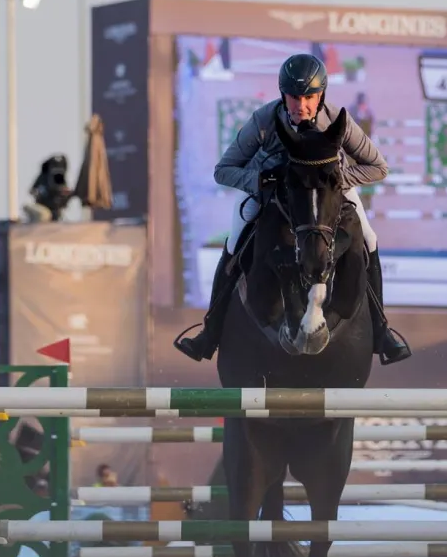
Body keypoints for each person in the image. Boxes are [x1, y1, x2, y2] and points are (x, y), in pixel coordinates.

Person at [173, 53, 411, 366]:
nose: (302, 106)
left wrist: (337, 179)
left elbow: (378, 167)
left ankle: (381, 331)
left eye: (310, 97)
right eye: (294, 97)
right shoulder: (264, 119)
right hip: (270, 190)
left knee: (369, 238)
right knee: (234, 243)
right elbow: (224, 170)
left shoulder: (338, 118)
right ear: (283, 94)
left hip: (325, 192)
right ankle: (210, 331)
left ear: (321, 95)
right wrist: (260, 178)